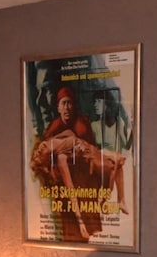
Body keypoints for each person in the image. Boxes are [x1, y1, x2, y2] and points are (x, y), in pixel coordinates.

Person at [33, 86, 104, 241]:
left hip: (84, 181)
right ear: (58, 108)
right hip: (65, 185)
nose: (67, 107)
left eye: (69, 103)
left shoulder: (81, 125)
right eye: (63, 103)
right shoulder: (55, 129)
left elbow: (91, 153)